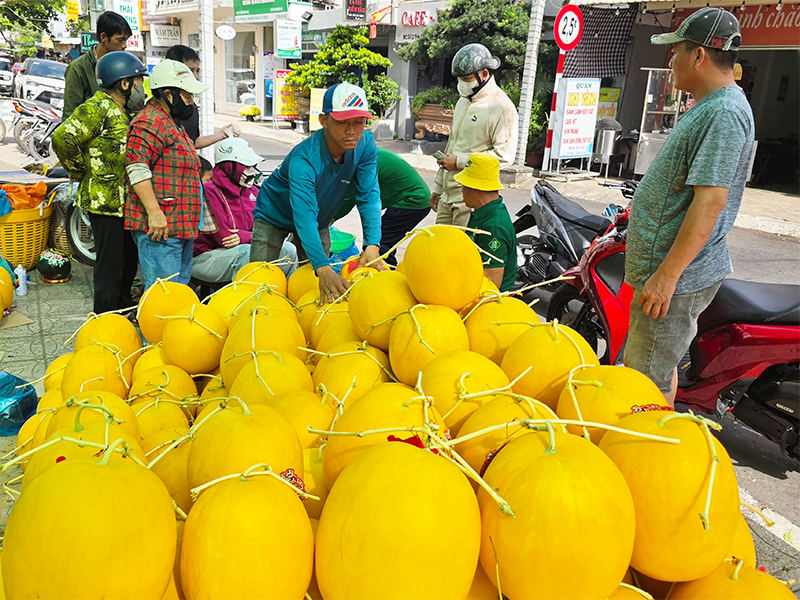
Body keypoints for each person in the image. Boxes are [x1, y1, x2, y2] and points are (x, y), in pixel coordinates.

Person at [624, 7, 755, 406]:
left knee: (645, 377)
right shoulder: (709, 105)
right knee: (646, 368)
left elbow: (711, 202)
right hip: (666, 268)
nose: (671, 59)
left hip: (676, 275)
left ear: (699, 56)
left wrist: (666, 277)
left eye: (677, 49)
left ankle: (641, 458)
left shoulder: (725, 113)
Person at [251, 82, 383, 303]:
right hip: (274, 214)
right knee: (260, 280)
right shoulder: (304, 159)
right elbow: (304, 217)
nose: (352, 131)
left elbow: (369, 196)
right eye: (342, 122)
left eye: (359, 122)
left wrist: (372, 244)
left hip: (318, 217)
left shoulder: (365, 144)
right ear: (324, 121)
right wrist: (322, 267)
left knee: (314, 287)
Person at [53, 51, 147, 314]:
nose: (142, 88)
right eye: (138, 82)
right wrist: (79, 170)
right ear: (123, 83)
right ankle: (105, 315)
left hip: (124, 202)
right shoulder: (97, 107)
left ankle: (123, 305)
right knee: (110, 264)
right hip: (103, 202)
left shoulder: (122, 109)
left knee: (128, 260)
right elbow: (63, 138)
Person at [125, 59, 208, 290]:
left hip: (179, 226)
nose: (191, 102)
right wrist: (154, 213)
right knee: (163, 294)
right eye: (187, 95)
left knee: (177, 292)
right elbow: (136, 168)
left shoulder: (171, 121)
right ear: (168, 93)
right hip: (161, 228)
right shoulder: (149, 121)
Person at [431, 43, 518, 227]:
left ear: (484, 74)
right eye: (459, 78)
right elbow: (452, 145)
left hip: (471, 200)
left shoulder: (501, 108)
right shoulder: (463, 101)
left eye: (466, 78)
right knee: (440, 251)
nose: (462, 83)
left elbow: (503, 157)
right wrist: (438, 188)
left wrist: (459, 161)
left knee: (461, 254)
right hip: (447, 196)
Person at [193, 138, 298, 283]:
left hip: (243, 248)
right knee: (249, 254)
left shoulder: (253, 191)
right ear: (229, 167)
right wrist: (253, 236)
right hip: (205, 257)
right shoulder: (210, 191)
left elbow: (269, 227)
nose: (252, 171)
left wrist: (244, 236)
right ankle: (247, 299)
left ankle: (284, 297)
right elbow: (225, 238)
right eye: (247, 166)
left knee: (289, 250)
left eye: (253, 166)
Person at [333, 148, 430, 265]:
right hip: (412, 197)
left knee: (378, 244)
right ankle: (388, 274)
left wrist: (322, 224)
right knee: (385, 241)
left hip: (412, 200)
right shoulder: (360, 153)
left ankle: (386, 277)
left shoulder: (356, 163)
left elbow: (345, 202)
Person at [454, 153, 516, 292]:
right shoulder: (483, 212)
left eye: (463, 187)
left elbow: (491, 283)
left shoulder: (493, 226)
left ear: (475, 189)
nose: (462, 192)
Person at [164, 45, 236, 149]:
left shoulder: (191, 108)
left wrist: (221, 134)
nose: (196, 76)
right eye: (190, 70)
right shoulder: (153, 117)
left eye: (197, 71)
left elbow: (193, 142)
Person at [63, 11, 131, 120]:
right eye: (120, 40)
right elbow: (70, 115)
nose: (124, 45)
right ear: (103, 37)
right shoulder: (78, 68)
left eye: (126, 40)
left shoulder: (124, 67)